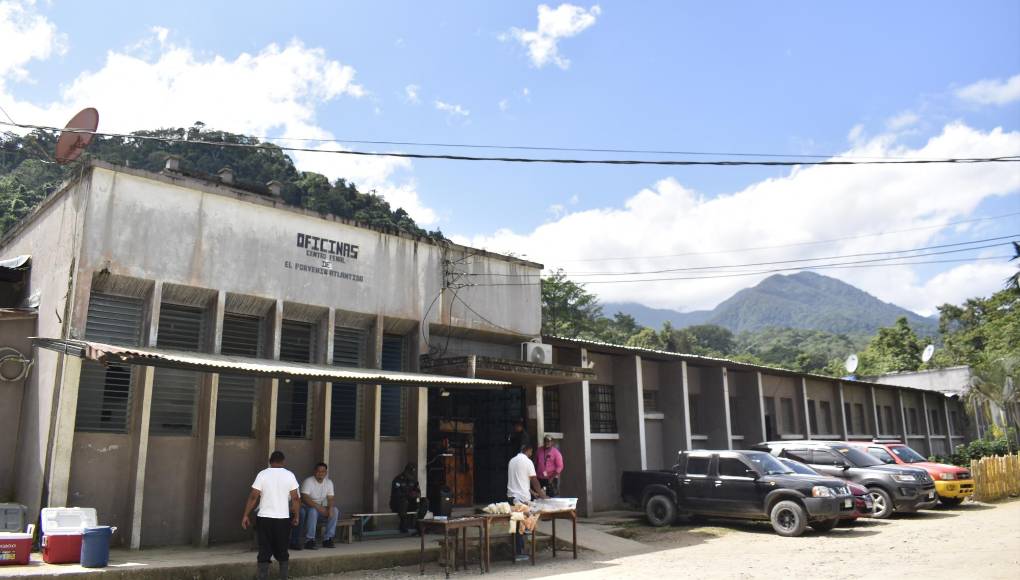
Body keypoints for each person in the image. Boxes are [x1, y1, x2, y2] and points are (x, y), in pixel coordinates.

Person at [242, 450, 300, 580]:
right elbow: (295, 498)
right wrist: (296, 516)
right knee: (283, 549)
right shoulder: (290, 475)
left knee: (264, 549)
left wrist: (245, 515)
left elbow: (253, 497)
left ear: (270, 461)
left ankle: (262, 577)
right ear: (283, 462)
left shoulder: (262, 474)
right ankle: (283, 577)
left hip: (264, 518)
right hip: (283, 519)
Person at [507, 442, 547, 561]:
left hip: (511, 497)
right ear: (528, 450)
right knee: (522, 524)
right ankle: (519, 553)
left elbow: (520, 481)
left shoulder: (512, 461)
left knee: (516, 524)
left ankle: (518, 551)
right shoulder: (528, 462)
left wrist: (533, 493)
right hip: (521, 499)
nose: (531, 454)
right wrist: (542, 495)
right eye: (531, 452)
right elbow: (534, 480)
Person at [292, 462, 339, 550]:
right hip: (307, 509)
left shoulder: (329, 482)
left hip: (320, 509)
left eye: (323, 471)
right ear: (314, 472)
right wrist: (319, 508)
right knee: (313, 511)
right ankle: (309, 540)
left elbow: (331, 498)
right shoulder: (308, 481)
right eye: (318, 471)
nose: (320, 473)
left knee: (335, 510)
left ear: (326, 473)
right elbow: (304, 498)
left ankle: (328, 539)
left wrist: (330, 508)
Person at [390, 463, 428, 534]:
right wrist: (409, 495)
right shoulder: (398, 480)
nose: (411, 475)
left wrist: (416, 494)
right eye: (410, 473)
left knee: (425, 501)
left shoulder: (414, 480)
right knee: (403, 501)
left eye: (412, 473)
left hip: (410, 504)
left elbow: (418, 492)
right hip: (398, 504)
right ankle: (403, 523)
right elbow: (396, 494)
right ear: (406, 471)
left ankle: (418, 522)